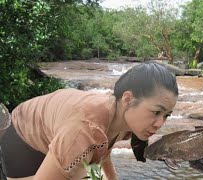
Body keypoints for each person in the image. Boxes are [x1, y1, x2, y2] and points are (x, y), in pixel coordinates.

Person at [0, 62, 179, 180]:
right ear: (127, 99)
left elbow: (104, 149)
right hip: (23, 137)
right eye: (156, 112)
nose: (159, 123)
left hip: (59, 131)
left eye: (166, 115)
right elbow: (91, 138)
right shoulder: (85, 131)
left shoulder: (123, 119)